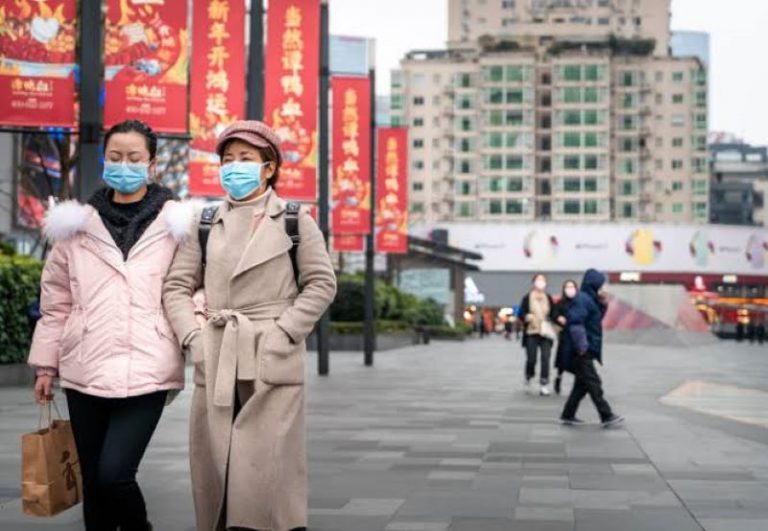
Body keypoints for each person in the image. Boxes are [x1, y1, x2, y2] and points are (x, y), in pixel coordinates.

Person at [162, 120, 337, 531]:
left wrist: (284, 332)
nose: (233, 167)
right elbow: (176, 287)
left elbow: (321, 283)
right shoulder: (204, 222)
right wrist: (193, 337)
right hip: (219, 352)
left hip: (272, 352)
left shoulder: (296, 220)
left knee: (264, 465)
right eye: (227, 160)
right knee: (218, 462)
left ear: (269, 167)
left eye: (245, 159)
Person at [28, 119, 193, 531]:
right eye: (115, 157)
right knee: (93, 484)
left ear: (152, 164)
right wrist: (46, 366)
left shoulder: (179, 227)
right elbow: (56, 302)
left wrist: (193, 333)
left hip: (149, 368)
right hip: (85, 367)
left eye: (134, 158)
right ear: (104, 160)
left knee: (115, 474)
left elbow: (196, 288)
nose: (124, 165)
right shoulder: (76, 226)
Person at [560, 268, 624, 428]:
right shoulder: (582, 299)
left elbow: (594, 319)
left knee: (581, 385)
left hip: (585, 347)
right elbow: (575, 323)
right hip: (582, 350)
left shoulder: (589, 299)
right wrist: (582, 346)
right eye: (600, 285)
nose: (602, 288)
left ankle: (568, 414)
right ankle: (606, 414)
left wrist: (603, 305)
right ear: (594, 284)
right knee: (594, 382)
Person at [519, 273, 557, 395]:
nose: (541, 282)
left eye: (543, 280)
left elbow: (554, 313)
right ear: (533, 282)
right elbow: (521, 312)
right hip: (531, 331)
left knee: (545, 358)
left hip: (545, 332)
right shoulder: (527, 297)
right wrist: (526, 316)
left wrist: (556, 319)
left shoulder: (548, 297)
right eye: (538, 280)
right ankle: (529, 375)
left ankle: (544, 383)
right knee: (531, 358)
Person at [553, 279, 579, 395]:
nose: (570, 289)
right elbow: (554, 314)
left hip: (578, 335)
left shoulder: (580, 302)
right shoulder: (560, 303)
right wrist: (558, 318)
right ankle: (559, 377)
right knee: (563, 357)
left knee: (578, 359)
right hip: (564, 334)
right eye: (567, 287)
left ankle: (578, 382)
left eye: (572, 287)